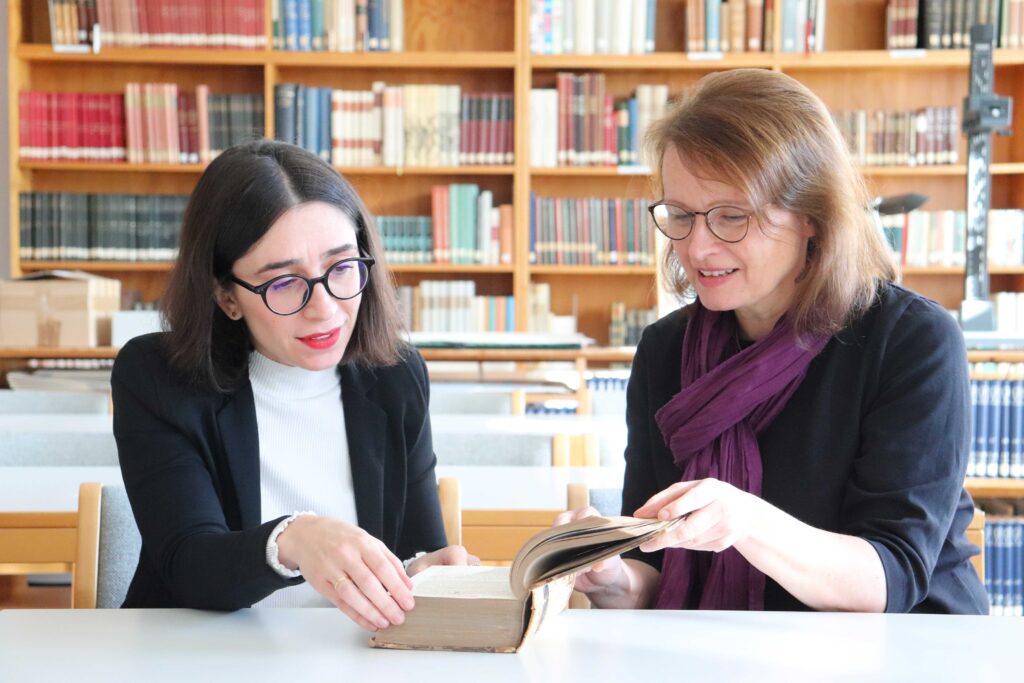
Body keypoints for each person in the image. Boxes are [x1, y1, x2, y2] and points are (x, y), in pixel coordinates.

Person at [557, 69, 989, 614]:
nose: (698, 247)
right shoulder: (665, 350)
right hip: (731, 649)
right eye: (682, 216)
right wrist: (616, 578)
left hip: (906, 649)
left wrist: (746, 521)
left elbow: (892, 578)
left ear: (812, 215)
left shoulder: (910, 341)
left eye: (732, 217)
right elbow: (662, 570)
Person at [112, 139, 476, 629]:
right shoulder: (159, 376)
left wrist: (417, 572)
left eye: (342, 268)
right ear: (226, 297)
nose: (323, 308)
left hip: (349, 658)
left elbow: (416, 549)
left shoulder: (395, 374)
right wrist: (293, 539)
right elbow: (190, 565)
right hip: (194, 657)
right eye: (284, 283)